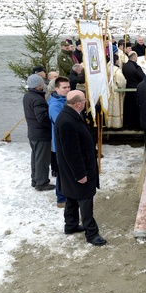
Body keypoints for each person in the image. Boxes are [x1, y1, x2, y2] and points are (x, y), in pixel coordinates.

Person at [54, 90, 106, 246]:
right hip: (77, 170)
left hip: (72, 170)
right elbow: (71, 152)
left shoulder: (70, 115)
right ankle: (92, 233)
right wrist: (80, 174)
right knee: (85, 200)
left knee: (71, 197)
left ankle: (70, 225)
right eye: (84, 100)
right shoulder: (67, 121)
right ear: (78, 103)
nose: (86, 102)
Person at [23, 74, 55, 191]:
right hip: (41, 134)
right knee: (42, 159)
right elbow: (41, 117)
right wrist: (51, 125)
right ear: (38, 85)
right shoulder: (37, 99)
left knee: (35, 157)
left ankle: (35, 179)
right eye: (41, 83)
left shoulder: (27, 96)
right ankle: (41, 183)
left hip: (32, 132)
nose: (43, 84)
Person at [48, 77, 71, 207]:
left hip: (66, 142)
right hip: (60, 143)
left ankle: (66, 194)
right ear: (57, 89)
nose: (67, 89)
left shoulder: (65, 100)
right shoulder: (55, 105)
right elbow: (61, 124)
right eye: (64, 87)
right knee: (63, 173)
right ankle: (61, 198)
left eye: (68, 87)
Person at [122, 51, 145, 130]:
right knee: (136, 109)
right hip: (136, 90)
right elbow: (142, 77)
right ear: (134, 58)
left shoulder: (124, 66)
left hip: (128, 89)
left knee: (128, 108)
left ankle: (128, 125)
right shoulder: (136, 67)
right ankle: (136, 126)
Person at [106, 53, 127, 128]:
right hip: (115, 91)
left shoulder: (106, 68)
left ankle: (108, 123)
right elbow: (122, 82)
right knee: (115, 108)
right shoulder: (116, 70)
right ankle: (116, 124)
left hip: (107, 91)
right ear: (117, 61)